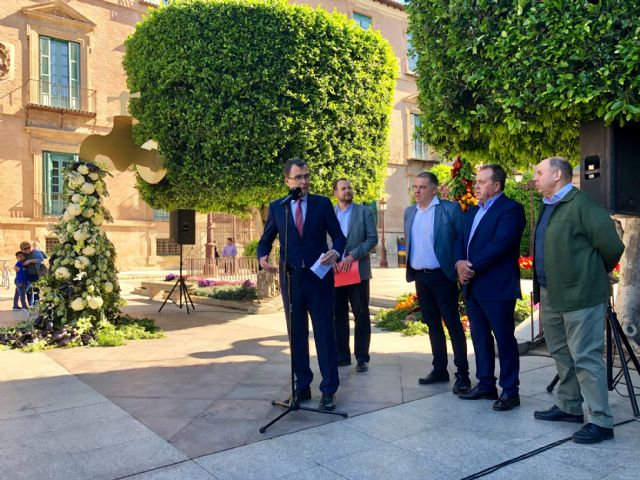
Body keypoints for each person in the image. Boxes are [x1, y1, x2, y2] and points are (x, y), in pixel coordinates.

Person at [532, 157, 624, 444]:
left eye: (539, 172)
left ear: (557, 175)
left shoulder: (583, 205)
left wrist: (589, 274)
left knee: (585, 356)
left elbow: (612, 246)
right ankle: (570, 406)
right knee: (561, 353)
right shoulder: (548, 206)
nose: (534, 177)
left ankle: (601, 420)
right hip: (551, 294)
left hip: (582, 295)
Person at [258, 159, 346, 411]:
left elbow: (339, 236)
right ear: (287, 181)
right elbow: (266, 240)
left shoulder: (322, 203)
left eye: (306, 176)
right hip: (292, 279)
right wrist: (262, 256)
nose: (304, 181)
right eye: (298, 177)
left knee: (324, 333)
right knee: (296, 334)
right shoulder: (278, 207)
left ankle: (329, 389)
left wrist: (336, 252)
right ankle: (302, 386)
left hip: (319, 279)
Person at [455, 165, 525, 411]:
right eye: (476, 181)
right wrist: (458, 263)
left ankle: (510, 390)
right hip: (473, 286)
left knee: (504, 339)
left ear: (496, 186)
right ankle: (485, 384)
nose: (476, 186)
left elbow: (501, 244)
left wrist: (469, 266)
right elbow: (461, 240)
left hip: (497, 287)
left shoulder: (511, 210)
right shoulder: (473, 212)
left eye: (482, 182)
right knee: (479, 337)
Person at [404, 171, 470, 394]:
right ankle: (439, 368)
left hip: (443, 276)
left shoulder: (449, 209)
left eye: (422, 187)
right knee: (432, 324)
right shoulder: (409, 212)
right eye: (415, 187)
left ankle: (463, 374)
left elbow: (463, 238)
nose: (417, 191)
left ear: (434, 189)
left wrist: (461, 265)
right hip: (420, 277)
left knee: (452, 323)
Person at [332, 178, 378, 373]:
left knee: (361, 314)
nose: (348, 191)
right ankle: (342, 356)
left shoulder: (364, 212)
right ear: (335, 193)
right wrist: (331, 258)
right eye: (343, 188)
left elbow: (372, 239)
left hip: (358, 271)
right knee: (338, 315)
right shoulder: (329, 214)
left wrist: (352, 256)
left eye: (350, 187)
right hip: (335, 271)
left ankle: (362, 357)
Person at [20, 240, 45, 305]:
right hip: (27, 275)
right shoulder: (23, 255)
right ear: (22, 249)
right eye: (25, 249)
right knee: (28, 290)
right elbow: (19, 264)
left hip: (36, 274)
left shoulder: (35, 252)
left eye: (28, 247)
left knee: (36, 289)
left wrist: (30, 261)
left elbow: (41, 259)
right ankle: (31, 305)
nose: (27, 249)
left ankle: (36, 305)